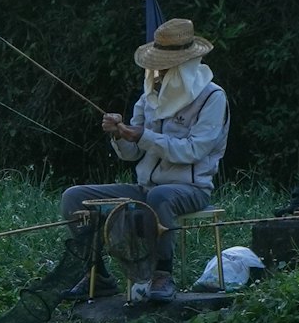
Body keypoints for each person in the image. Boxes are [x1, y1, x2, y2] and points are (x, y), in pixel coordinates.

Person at [60, 17, 230, 302]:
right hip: (145, 190)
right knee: (75, 198)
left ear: (184, 63)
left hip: (189, 190)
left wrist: (142, 136)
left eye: (166, 63)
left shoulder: (212, 97)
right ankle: (97, 275)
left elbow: (193, 150)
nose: (159, 70)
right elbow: (133, 153)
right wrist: (118, 133)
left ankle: (162, 274)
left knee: (161, 196)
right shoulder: (150, 94)